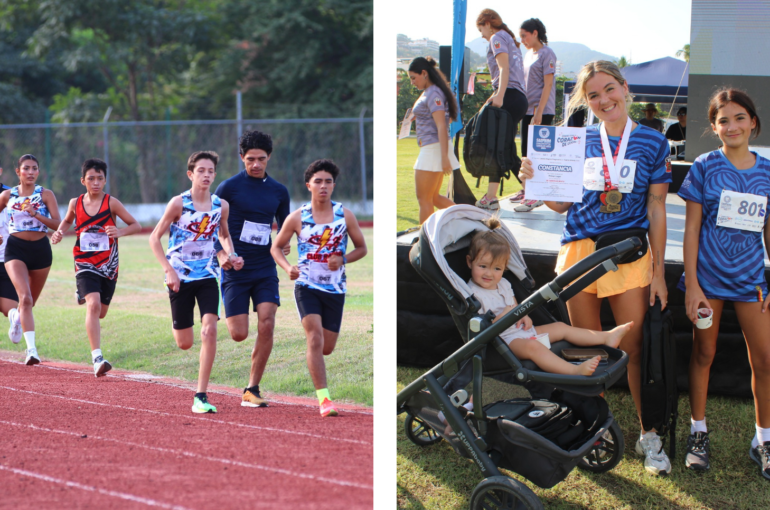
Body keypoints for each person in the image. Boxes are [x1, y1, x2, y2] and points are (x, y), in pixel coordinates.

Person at [519, 60, 672, 475]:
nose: (604, 100)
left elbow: (657, 208)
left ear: (624, 88)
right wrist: (535, 179)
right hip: (579, 253)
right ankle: (596, 429)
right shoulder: (577, 140)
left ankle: (648, 432)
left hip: (627, 254)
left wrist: (659, 272)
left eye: (609, 89)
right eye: (593, 95)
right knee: (586, 351)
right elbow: (560, 204)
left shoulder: (653, 142)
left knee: (631, 349)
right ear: (586, 102)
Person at [678, 89, 770, 479]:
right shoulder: (704, 166)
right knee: (704, 353)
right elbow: (692, 229)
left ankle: (763, 440)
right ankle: (698, 432)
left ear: (753, 122)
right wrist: (693, 286)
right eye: (723, 120)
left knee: (765, 360)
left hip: (751, 282)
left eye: (739, 118)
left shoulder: (767, 171)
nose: (732, 126)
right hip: (708, 282)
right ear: (714, 128)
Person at [466, 217, 633, 375]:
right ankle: (574, 371)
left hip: (520, 330)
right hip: (504, 341)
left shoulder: (504, 283)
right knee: (533, 347)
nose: (489, 274)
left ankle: (606, 337)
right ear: (469, 262)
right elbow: (481, 330)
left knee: (560, 327)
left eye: (497, 268)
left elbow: (515, 306)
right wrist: (505, 315)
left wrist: (523, 316)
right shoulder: (472, 293)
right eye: (483, 266)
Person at [270, 159, 368, 417]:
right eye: (318, 181)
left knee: (326, 347)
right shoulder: (297, 217)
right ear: (308, 185)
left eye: (328, 181)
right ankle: (325, 400)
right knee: (314, 337)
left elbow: (362, 248)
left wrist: (343, 259)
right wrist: (287, 268)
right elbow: (276, 247)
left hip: (335, 288)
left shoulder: (345, 215)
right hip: (306, 285)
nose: (323, 186)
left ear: (333, 185)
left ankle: (317, 369)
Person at [149, 151, 242, 414]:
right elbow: (154, 238)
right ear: (190, 174)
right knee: (185, 343)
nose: (206, 175)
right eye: (201, 170)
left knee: (209, 331)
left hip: (208, 276)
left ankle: (200, 395)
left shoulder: (220, 205)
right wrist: (168, 270)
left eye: (210, 171)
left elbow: (224, 234)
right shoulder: (178, 203)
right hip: (179, 277)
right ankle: (178, 320)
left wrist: (231, 254)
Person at [214, 130, 290, 408]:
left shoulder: (279, 191)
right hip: (236, 268)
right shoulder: (228, 188)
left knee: (267, 321)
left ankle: (252, 388)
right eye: (250, 159)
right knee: (239, 334)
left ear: (269, 157)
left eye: (261, 159)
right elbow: (210, 225)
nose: (256, 164)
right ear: (241, 158)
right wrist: (221, 254)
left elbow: (285, 226)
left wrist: (284, 242)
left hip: (264, 267)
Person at [51, 158, 141, 377]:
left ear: (105, 181)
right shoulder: (75, 203)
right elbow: (67, 221)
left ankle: (81, 293)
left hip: (108, 264)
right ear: (83, 181)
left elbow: (136, 225)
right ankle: (97, 358)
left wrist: (119, 232)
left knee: (101, 312)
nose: (96, 183)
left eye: (100, 178)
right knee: (93, 305)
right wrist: (60, 231)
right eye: (91, 179)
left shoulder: (112, 203)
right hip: (84, 262)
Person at [0, 154, 61, 365]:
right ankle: (31, 351)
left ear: (38, 172)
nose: (31, 172)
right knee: (24, 298)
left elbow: (58, 224)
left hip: (40, 250)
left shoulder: (45, 194)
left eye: (34, 168)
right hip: (15, 250)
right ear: (18, 172)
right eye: (26, 168)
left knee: (30, 302)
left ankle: (17, 320)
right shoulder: (7, 195)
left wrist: (36, 214)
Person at [475, 8, 529, 212]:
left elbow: (503, 68)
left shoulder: (497, 37)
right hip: (517, 97)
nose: (481, 35)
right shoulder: (508, 38)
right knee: (501, 147)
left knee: (501, 148)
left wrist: (499, 94)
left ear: (487, 24)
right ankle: (491, 196)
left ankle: (531, 192)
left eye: (480, 29)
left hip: (509, 96)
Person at [407, 57, 458, 224]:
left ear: (424, 73)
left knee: (424, 199)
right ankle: (468, 220)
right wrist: (418, 116)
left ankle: (426, 237)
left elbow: (442, 125)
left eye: (413, 78)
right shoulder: (433, 91)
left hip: (433, 148)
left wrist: (444, 158)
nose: (412, 82)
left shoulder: (433, 92)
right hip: (433, 147)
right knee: (433, 197)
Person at [513, 18, 556, 212]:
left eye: (524, 36)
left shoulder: (547, 53)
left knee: (537, 155)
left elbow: (548, 84)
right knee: (525, 153)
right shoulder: (528, 54)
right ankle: (527, 190)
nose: (522, 40)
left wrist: (539, 111)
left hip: (541, 111)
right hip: (527, 110)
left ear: (535, 33)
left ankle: (536, 195)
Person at [0, 162, 22, 345]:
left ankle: (16, 318)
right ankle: (15, 317)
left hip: (8, 259)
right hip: (10, 260)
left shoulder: (12, 195)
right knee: (8, 308)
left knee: (7, 307)